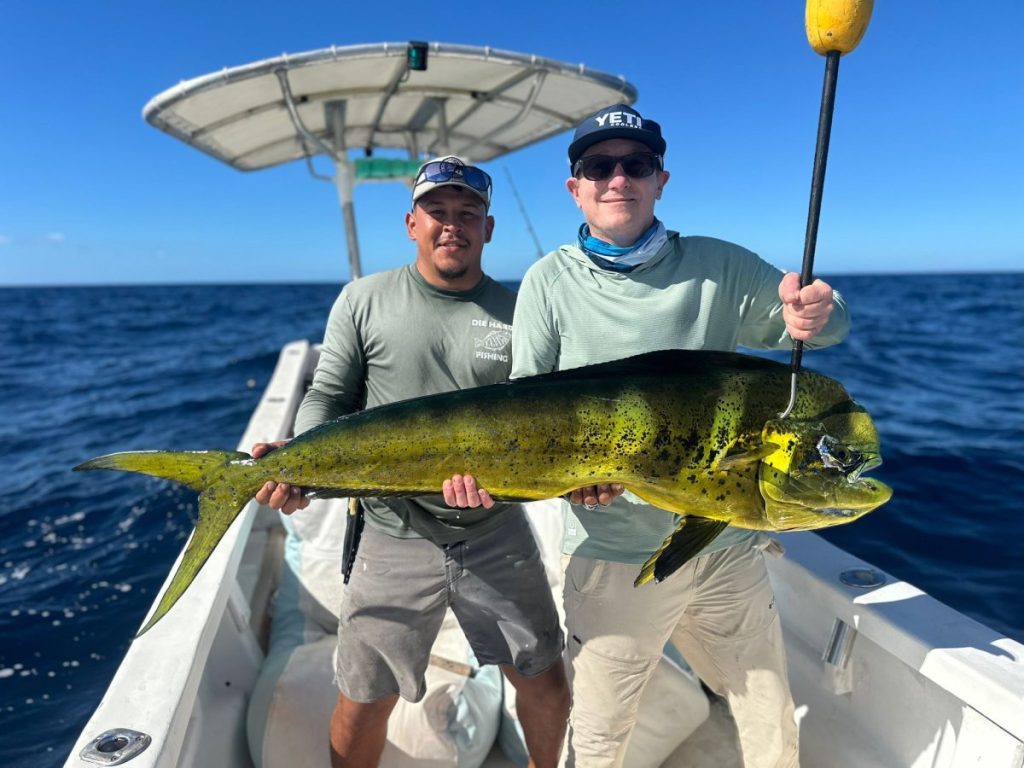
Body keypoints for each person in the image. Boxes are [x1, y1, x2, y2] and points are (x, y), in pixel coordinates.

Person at [450, 103, 849, 767]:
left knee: (771, 718)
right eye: (598, 166)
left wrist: (818, 311)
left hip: (723, 543)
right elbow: (525, 417)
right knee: (600, 738)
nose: (618, 178)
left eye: (636, 164)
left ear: (660, 180)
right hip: (613, 553)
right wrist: (559, 483)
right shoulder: (548, 282)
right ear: (575, 187)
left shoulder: (722, 267)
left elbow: (822, 327)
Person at [252, 156, 569, 768]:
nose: (452, 224)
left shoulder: (522, 312)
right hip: (391, 532)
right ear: (411, 223)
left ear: (488, 228)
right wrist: (299, 465)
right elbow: (327, 396)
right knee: (364, 701)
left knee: (546, 684)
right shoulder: (363, 299)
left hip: (495, 528)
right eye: (437, 212)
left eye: (468, 213)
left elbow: (544, 421)